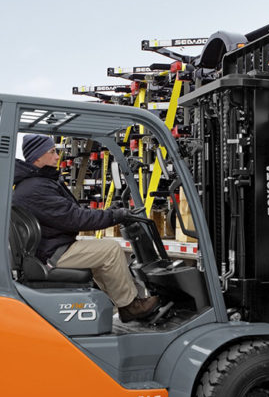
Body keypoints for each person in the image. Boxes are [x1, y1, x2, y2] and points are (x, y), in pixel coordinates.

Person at [13, 133, 160, 322]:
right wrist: (114, 216)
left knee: (99, 254)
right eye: (52, 152)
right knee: (110, 250)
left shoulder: (39, 182)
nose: (57, 156)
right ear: (38, 156)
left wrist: (109, 212)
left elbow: (69, 212)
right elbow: (75, 219)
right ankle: (130, 306)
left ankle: (120, 304)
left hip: (50, 246)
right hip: (52, 254)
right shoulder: (36, 188)